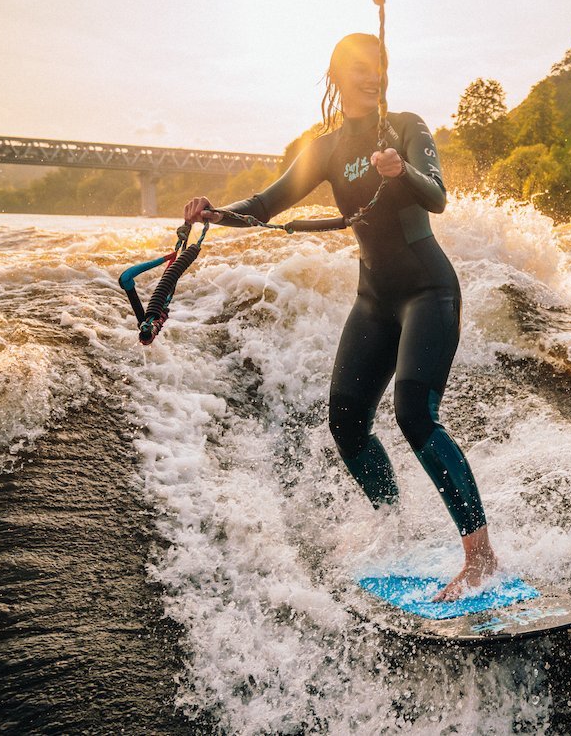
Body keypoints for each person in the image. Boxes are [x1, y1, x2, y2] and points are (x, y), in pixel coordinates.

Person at [183, 33, 494, 601]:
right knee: (347, 422)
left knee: (413, 415)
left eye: (378, 66)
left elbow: (438, 197)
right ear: (336, 73)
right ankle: (393, 525)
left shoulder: (405, 127)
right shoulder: (324, 148)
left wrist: (398, 170)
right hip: (373, 299)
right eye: (358, 67)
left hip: (429, 289)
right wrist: (214, 213)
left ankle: (480, 557)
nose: (370, 75)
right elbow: (266, 204)